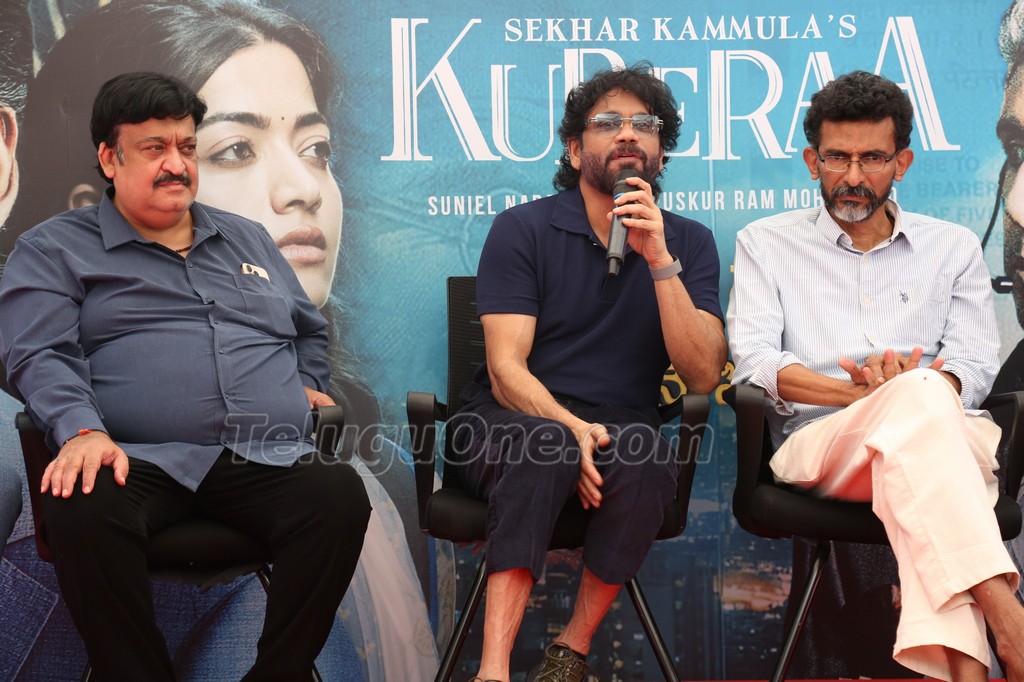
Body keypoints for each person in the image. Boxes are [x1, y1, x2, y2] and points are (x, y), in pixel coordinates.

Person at [0, 1, 444, 678]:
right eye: (234, 149)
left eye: (316, 150)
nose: (302, 189)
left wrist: (307, 383)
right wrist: (81, 430)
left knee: (335, 496)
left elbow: (306, 327)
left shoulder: (246, 240)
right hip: (132, 462)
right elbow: (38, 350)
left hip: (247, 462)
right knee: (84, 508)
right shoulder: (56, 248)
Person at [728, 70, 1024, 682]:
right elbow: (755, 360)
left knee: (921, 418)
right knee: (918, 402)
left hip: (939, 440)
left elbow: (973, 365)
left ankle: (974, 670)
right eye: (837, 157)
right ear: (812, 160)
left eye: (872, 158)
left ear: (902, 163)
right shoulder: (766, 243)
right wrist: (862, 394)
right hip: (824, 448)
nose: (853, 175)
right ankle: (1005, 615)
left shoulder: (953, 247)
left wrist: (912, 392)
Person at [450, 62, 726, 681]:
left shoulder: (689, 242)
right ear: (575, 150)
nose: (628, 133)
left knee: (649, 459)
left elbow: (704, 375)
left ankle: (568, 654)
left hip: (621, 423)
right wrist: (570, 428)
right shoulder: (522, 228)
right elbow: (505, 370)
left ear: (660, 153)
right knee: (545, 445)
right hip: (508, 417)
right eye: (607, 123)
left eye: (644, 124)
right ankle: (492, 670)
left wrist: (659, 259)